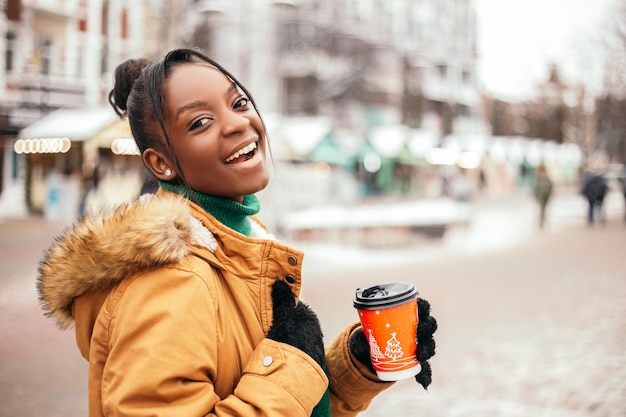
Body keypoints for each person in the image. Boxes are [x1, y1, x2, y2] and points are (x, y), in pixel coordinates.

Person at [36, 48, 437, 417]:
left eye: (239, 102)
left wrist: (356, 363)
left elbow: (279, 401)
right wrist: (290, 363)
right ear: (161, 164)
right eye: (200, 122)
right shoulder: (171, 281)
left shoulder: (236, 243)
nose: (236, 123)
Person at [533, 163, 553, 229]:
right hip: (540, 197)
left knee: (543, 209)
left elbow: (550, 187)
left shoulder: (546, 179)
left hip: (545, 196)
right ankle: (542, 221)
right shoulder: (539, 179)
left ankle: (543, 220)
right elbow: (536, 188)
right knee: (542, 209)